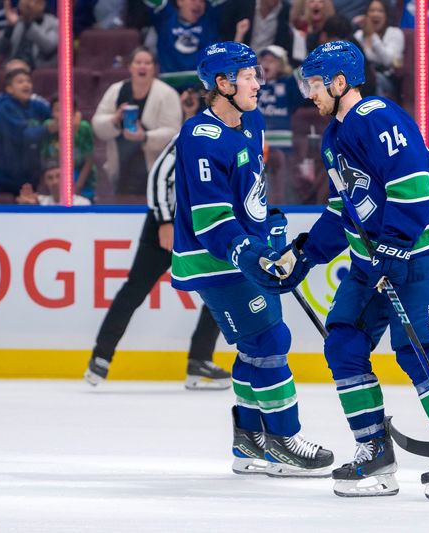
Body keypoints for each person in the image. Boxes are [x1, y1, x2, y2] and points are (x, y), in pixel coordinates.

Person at [268, 40, 429, 501]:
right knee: (343, 342)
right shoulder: (334, 136)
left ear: (340, 81)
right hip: (372, 264)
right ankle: (375, 453)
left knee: (417, 353)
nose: (310, 93)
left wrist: (394, 249)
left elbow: (414, 186)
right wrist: (303, 256)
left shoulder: (378, 118)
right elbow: (341, 210)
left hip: (419, 253)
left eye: (315, 83)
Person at [172, 41, 334, 477]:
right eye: (247, 76)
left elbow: (250, 191)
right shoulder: (199, 137)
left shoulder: (252, 121)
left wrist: (270, 224)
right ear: (222, 84)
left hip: (245, 251)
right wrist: (247, 248)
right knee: (269, 342)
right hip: (216, 259)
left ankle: (249, 441)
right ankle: (282, 440)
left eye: (256, 75)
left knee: (255, 345)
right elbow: (209, 220)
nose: (258, 83)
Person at [84, 131, 231, 390]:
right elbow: (160, 174)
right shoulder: (197, 131)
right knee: (135, 289)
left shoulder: (241, 134)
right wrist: (164, 220)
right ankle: (101, 356)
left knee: (220, 288)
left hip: (203, 226)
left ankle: (200, 359)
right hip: (169, 224)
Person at [92, 46, 182, 196]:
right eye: (138, 62)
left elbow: (174, 133)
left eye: (147, 63)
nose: (142, 66)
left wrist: (144, 137)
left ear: (154, 68)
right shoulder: (116, 90)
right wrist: (114, 120)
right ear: (129, 67)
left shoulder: (167, 94)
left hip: (155, 169)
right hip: (121, 168)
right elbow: (97, 124)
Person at [0, 67, 51, 200]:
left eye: (28, 81)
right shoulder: (5, 108)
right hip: (2, 178)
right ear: (9, 89)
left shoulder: (36, 107)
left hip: (25, 177)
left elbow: (54, 114)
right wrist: (48, 129)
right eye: (20, 82)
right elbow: (24, 135)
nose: (26, 84)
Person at [41, 96, 97, 202]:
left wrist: (77, 186)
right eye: (58, 110)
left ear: (74, 113)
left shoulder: (84, 128)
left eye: (67, 110)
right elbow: (45, 158)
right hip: (56, 179)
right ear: (52, 113)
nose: (62, 114)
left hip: (82, 179)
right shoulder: (48, 127)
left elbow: (89, 160)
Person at [142, 0, 216, 74]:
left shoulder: (209, 19)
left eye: (202, 1)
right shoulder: (165, 18)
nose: (198, 4)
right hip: (169, 81)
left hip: (201, 81)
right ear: (180, 1)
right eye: (193, 0)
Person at [354, 0, 404, 100]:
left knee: (375, 78)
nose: (375, 14)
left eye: (380, 11)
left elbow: (388, 60)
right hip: (363, 79)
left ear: (386, 15)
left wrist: (372, 35)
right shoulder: (358, 35)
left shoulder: (395, 33)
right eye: (372, 10)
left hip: (387, 80)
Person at [0, 0, 58, 68]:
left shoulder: (53, 23)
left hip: (37, 68)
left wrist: (28, 23)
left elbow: (48, 47)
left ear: (42, 4)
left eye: (32, 2)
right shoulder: (16, 21)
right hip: (13, 67)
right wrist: (9, 28)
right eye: (24, 3)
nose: (28, 6)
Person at [219, 0, 294, 59]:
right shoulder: (241, 4)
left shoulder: (286, 10)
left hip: (268, 69)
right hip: (240, 61)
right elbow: (224, 35)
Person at [15, 159, 91, 206]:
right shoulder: (39, 202)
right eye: (50, 178)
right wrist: (30, 207)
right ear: (45, 182)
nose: (55, 182)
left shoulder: (82, 203)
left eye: (59, 176)